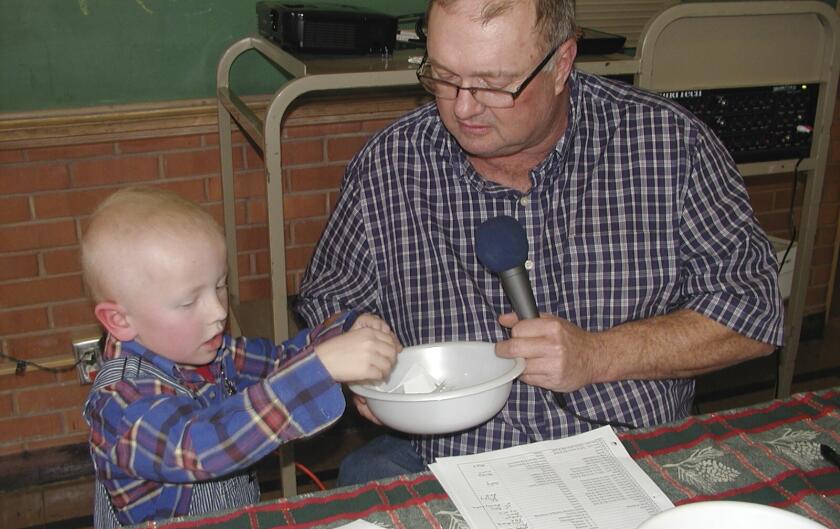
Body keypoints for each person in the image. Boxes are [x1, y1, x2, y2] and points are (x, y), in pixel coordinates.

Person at [296, 0, 783, 485]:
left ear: (561, 63)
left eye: (492, 83)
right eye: (443, 77)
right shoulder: (390, 165)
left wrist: (599, 355)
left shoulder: (668, 145)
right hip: (445, 460)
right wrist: (358, 359)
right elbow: (331, 297)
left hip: (629, 451)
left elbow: (754, 312)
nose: (463, 107)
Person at [80, 186, 400, 529]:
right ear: (120, 321)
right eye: (189, 302)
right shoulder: (119, 405)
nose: (218, 311)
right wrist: (320, 367)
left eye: (220, 285)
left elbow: (280, 363)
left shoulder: (207, 351)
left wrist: (343, 333)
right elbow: (202, 446)